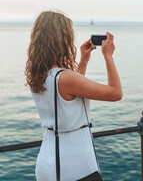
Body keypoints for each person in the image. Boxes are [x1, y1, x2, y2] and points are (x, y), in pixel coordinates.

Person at [25, 11, 122, 180]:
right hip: (75, 166)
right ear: (62, 39)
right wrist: (108, 56)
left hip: (48, 163)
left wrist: (83, 61)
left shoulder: (39, 75)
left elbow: (69, 97)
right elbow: (115, 93)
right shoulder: (65, 77)